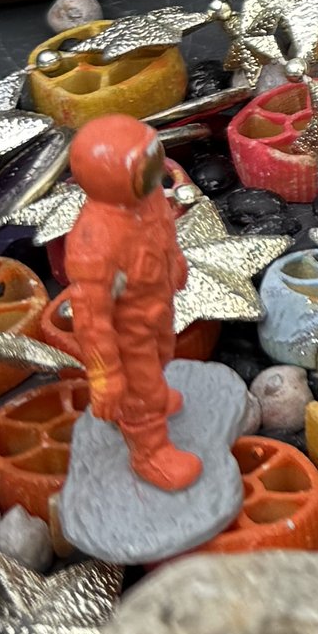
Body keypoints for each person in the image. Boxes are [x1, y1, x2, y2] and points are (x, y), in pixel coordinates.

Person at [63, 115, 198, 492]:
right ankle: (149, 454)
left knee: (162, 356)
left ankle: (142, 402)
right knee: (141, 389)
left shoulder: (150, 199)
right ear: (111, 179)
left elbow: (164, 232)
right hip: (125, 332)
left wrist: (175, 263)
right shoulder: (95, 240)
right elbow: (91, 318)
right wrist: (104, 376)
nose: (156, 170)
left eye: (155, 156)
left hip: (157, 309)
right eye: (145, 165)